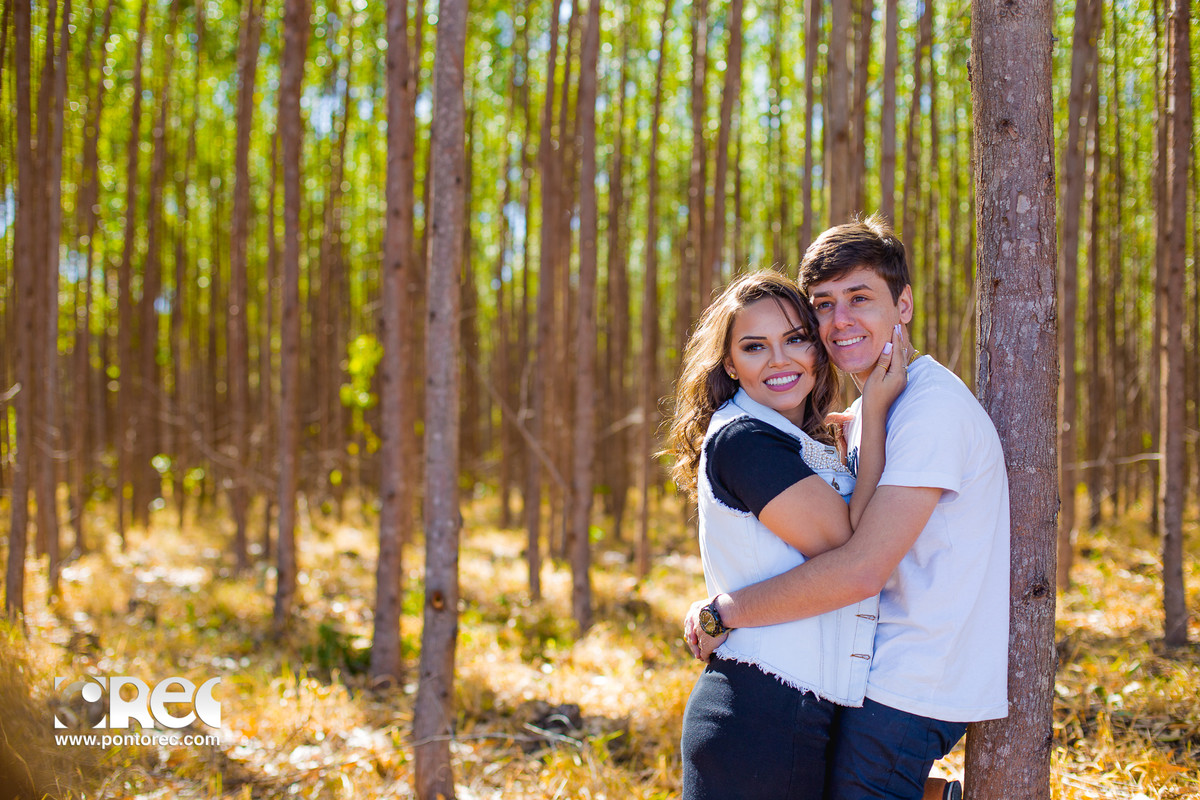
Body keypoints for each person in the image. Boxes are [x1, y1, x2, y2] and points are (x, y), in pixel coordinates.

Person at [684, 216, 1011, 800]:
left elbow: (859, 566)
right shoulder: (859, 415)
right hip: (842, 688)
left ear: (903, 305)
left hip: (908, 682)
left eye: (860, 298)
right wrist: (861, 427)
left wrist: (721, 612)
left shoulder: (927, 410)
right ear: (730, 362)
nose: (840, 321)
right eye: (824, 305)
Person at [669, 269, 907, 800]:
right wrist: (875, 410)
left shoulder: (795, 439)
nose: (780, 360)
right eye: (755, 347)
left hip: (805, 715)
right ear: (730, 363)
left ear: (817, 349)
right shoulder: (745, 440)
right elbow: (849, 547)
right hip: (758, 723)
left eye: (795, 338)